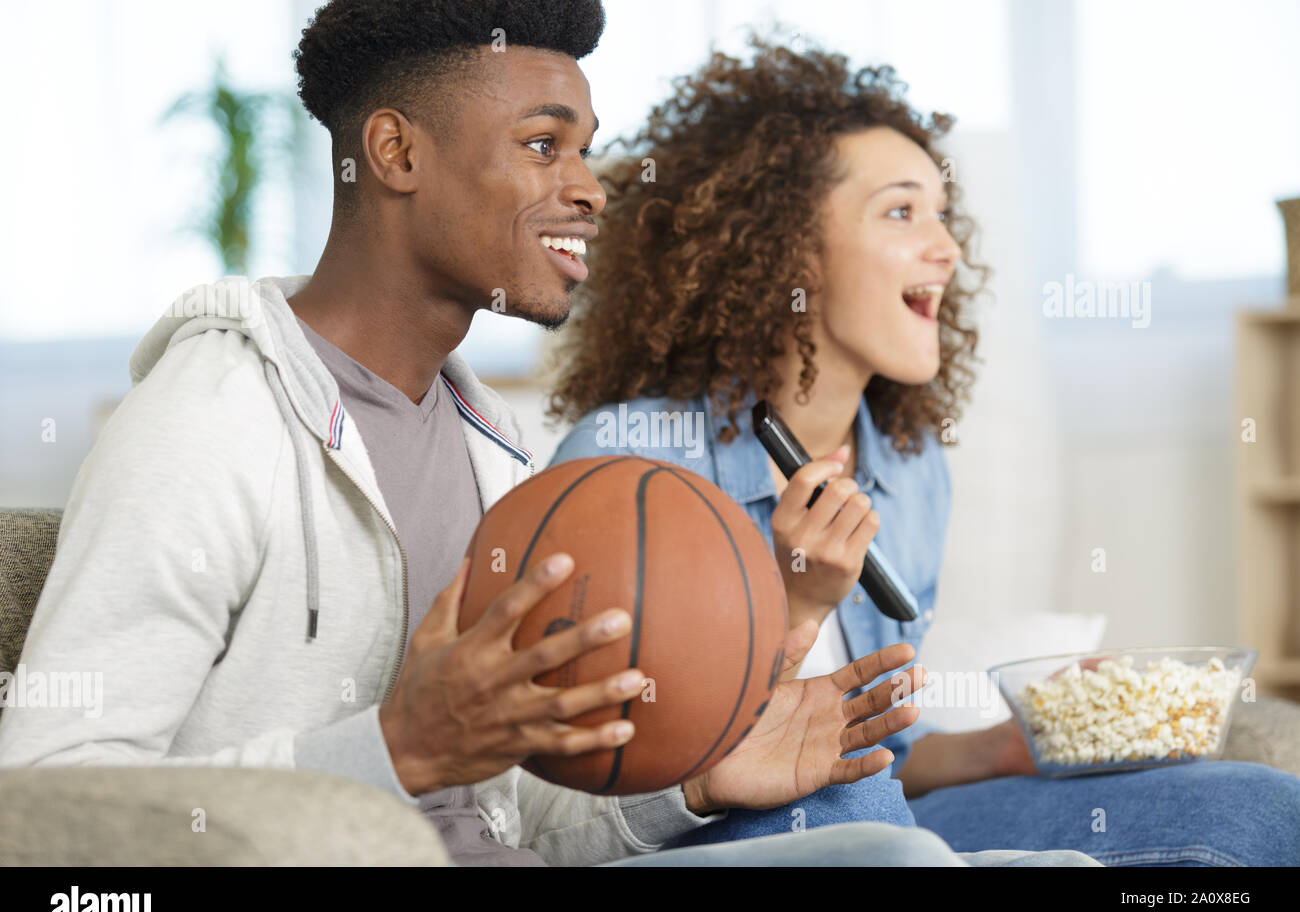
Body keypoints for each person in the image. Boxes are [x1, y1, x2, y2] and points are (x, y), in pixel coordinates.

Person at [0, 0, 1098, 867]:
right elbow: (42, 802)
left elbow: (518, 813)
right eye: (541, 145)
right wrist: (393, 748)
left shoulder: (497, 454)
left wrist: (695, 784)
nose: (590, 190)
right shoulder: (210, 420)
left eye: (587, 151)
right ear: (395, 151)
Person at [548, 38, 1300, 866]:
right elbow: (619, 777)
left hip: (886, 818)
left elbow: (886, 755)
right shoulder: (632, 463)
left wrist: (996, 749)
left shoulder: (907, 467)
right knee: (859, 806)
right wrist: (789, 608)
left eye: (943, 213)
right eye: (902, 212)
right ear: (787, 247)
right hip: (734, 828)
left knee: (1263, 809)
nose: (948, 248)